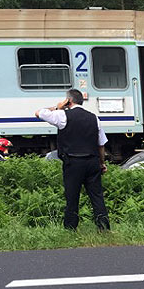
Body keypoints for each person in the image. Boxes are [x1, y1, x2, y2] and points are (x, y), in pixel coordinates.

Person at [35, 89, 110, 230]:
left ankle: (71, 229)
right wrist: (102, 163)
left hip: (73, 162)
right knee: (97, 197)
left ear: (68, 101)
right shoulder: (94, 118)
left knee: (72, 197)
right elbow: (101, 144)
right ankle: (104, 227)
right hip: (92, 162)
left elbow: (39, 112)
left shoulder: (62, 115)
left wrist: (58, 106)